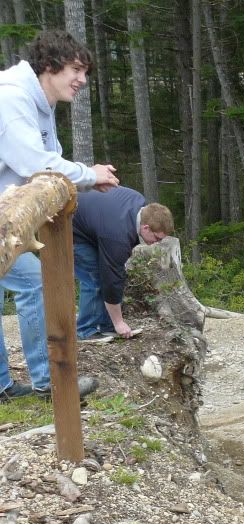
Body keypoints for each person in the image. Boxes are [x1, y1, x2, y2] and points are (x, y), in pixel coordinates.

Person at [0, 30, 119, 399]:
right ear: (49, 66)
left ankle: (3, 385)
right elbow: (34, 164)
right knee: (36, 281)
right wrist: (88, 174)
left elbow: (44, 165)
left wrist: (83, 179)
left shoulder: (39, 100)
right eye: (75, 69)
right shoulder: (11, 97)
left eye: (84, 72)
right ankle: (48, 381)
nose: (82, 80)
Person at [73, 187, 173, 340]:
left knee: (111, 275)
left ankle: (106, 325)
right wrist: (119, 322)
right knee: (95, 278)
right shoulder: (118, 236)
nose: (156, 243)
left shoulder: (140, 205)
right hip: (71, 228)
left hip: (96, 225)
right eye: (157, 238)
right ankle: (86, 330)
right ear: (146, 227)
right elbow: (111, 279)